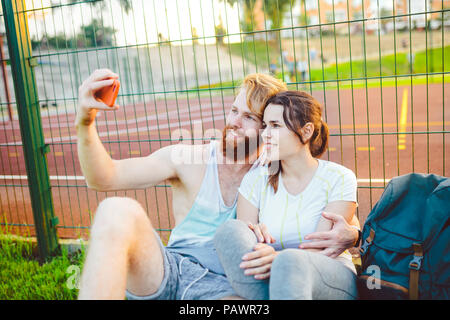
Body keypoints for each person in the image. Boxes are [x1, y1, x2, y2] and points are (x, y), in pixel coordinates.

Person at [75, 69, 360, 300]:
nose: (234, 122)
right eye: (234, 110)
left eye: (249, 117)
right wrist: (85, 122)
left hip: (225, 285)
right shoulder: (188, 158)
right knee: (116, 210)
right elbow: (103, 177)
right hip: (169, 268)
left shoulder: (270, 172)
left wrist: (354, 233)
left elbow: (325, 212)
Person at [214, 90, 359, 300]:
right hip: (270, 278)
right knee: (230, 231)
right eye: (265, 126)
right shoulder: (256, 179)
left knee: (290, 263)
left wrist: (277, 258)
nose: (265, 134)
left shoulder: (339, 177)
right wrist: (255, 238)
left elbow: (320, 249)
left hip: (328, 274)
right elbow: (248, 241)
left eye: (275, 126)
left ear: (306, 131)